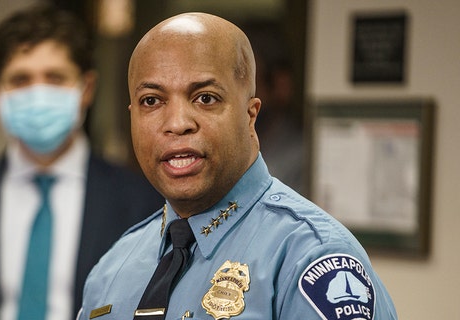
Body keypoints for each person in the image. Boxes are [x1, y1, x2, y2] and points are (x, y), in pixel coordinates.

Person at [78, 12, 397, 319]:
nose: (177, 124)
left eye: (205, 98)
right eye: (152, 101)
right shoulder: (113, 267)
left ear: (250, 114)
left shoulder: (309, 258)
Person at [0, 3, 163, 320]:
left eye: (55, 77)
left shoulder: (142, 203)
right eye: (21, 80)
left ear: (86, 88)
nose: (38, 93)